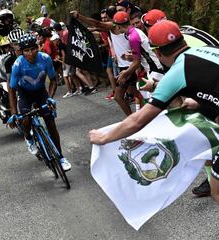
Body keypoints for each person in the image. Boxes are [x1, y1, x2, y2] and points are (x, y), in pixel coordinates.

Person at [88, 20, 219, 204]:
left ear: (157, 52)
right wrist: (200, 102)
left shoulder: (177, 72)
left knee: (217, 191)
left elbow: (138, 120)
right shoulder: (209, 49)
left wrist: (103, 137)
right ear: (183, 41)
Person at [8, 34, 71, 171]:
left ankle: (60, 157)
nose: (30, 53)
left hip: (40, 92)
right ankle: (29, 138)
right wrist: (13, 113)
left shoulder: (45, 59)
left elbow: (53, 80)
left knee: (50, 122)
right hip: (24, 93)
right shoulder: (18, 64)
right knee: (25, 120)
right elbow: (12, 89)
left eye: (33, 49)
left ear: (38, 48)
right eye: (26, 50)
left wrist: (50, 97)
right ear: (21, 52)